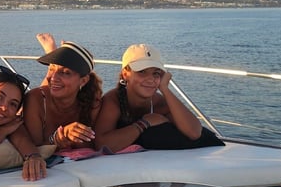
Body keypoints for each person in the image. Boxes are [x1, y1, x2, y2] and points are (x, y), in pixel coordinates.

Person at [94, 44, 223, 152]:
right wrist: (144, 123)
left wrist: (165, 89)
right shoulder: (113, 100)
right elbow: (102, 144)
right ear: (125, 74)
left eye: (156, 73)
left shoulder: (160, 102)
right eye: (142, 72)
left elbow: (194, 133)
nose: (150, 79)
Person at [23, 33, 102, 150]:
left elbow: (94, 144)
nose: (53, 77)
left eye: (65, 72)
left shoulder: (92, 102)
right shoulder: (36, 100)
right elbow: (32, 147)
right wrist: (56, 138)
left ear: (83, 81)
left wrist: (75, 136)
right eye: (51, 69)